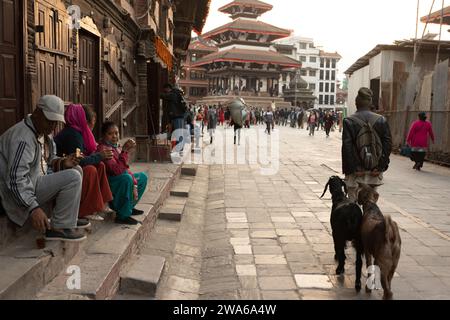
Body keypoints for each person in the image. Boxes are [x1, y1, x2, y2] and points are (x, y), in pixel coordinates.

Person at [0, 95, 86, 242]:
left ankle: (66, 220)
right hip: (14, 194)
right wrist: (33, 208)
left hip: (35, 181)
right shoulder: (23, 138)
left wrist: (64, 162)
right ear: (37, 113)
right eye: (49, 121)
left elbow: (47, 160)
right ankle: (59, 226)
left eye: (55, 123)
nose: (52, 126)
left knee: (76, 170)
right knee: (73, 177)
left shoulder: (44, 133)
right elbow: (15, 179)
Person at [54, 104, 113, 221]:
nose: (93, 124)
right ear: (84, 120)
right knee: (90, 169)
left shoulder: (78, 132)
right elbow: (78, 161)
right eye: (92, 120)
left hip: (70, 166)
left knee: (99, 165)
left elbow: (82, 156)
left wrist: (98, 157)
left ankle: (102, 202)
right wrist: (99, 155)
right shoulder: (73, 134)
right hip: (60, 169)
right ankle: (85, 210)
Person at [342, 88, 392, 202]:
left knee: (353, 206)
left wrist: (354, 168)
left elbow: (347, 147)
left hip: (356, 172)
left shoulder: (349, 121)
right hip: (374, 171)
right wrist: (380, 167)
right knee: (370, 207)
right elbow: (388, 145)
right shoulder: (381, 120)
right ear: (370, 103)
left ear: (356, 103)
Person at [97, 122, 148, 225]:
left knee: (142, 177)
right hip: (112, 183)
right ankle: (122, 216)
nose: (114, 136)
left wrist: (134, 182)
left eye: (116, 133)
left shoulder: (116, 147)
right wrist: (124, 151)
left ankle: (129, 207)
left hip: (121, 178)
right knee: (126, 178)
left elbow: (125, 167)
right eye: (110, 134)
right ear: (104, 135)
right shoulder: (103, 149)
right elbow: (116, 171)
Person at [161, 84, 187, 152]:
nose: (166, 92)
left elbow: (164, 96)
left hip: (177, 116)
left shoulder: (173, 94)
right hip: (178, 117)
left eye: (165, 90)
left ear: (168, 88)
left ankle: (179, 148)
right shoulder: (176, 93)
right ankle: (179, 148)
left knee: (178, 133)